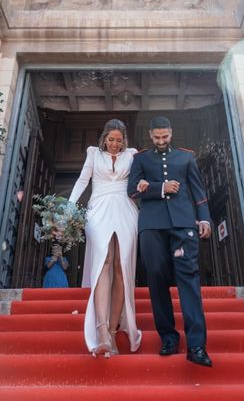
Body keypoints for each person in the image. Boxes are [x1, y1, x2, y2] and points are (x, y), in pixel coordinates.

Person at [127, 116, 213, 367]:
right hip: (151, 225)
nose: (161, 141)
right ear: (150, 136)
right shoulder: (140, 159)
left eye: (165, 137)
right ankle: (168, 338)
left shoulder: (186, 157)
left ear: (171, 133)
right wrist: (160, 187)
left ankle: (197, 346)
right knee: (156, 279)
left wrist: (204, 219)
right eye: (157, 138)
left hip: (184, 224)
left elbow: (198, 190)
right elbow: (132, 190)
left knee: (189, 279)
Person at [69, 119, 143, 357]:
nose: (114, 144)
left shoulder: (132, 155)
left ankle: (112, 329)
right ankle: (100, 330)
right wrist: (70, 206)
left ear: (124, 141)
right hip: (98, 207)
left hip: (126, 208)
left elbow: (140, 178)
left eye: (119, 140)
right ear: (104, 139)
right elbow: (83, 180)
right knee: (105, 260)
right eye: (111, 140)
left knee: (121, 265)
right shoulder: (93, 154)